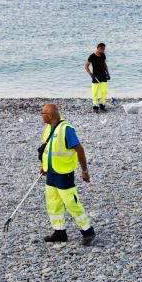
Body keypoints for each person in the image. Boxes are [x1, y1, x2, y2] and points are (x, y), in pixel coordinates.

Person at [39, 103, 96, 245]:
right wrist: (44, 166)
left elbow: (80, 150)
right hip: (51, 173)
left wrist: (84, 171)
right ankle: (59, 232)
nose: (41, 116)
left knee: (71, 203)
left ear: (50, 115)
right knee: (53, 202)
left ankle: (88, 232)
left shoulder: (67, 130)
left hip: (64, 174)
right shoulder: (47, 128)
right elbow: (48, 150)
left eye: (43, 114)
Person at [85, 43, 111, 112]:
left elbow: (105, 64)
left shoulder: (103, 55)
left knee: (104, 91)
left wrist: (108, 74)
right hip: (95, 76)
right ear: (99, 48)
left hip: (103, 75)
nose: (104, 50)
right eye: (103, 49)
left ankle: (102, 105)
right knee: (95, 92)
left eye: (104, 49)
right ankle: (95, 106)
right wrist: (91, 75)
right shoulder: (92, 56)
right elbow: (86, 66)